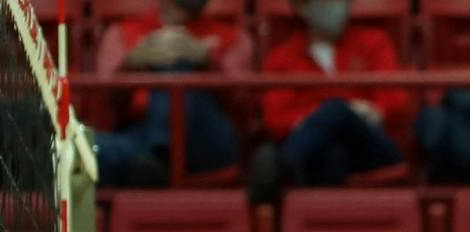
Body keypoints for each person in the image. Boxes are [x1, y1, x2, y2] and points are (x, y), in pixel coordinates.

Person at [91, 0, 249, 188]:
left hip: (207, 141)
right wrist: (131, 65)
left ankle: (161, 157)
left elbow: (242, 108)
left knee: (175, 55)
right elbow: (103, 109)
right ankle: (157, 158)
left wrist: (207, 62)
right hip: (140, 134)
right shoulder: (121, 34)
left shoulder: (235, 37)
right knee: (85, 148)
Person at [260, 1, 410, 191]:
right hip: (319, 153)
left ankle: (284, 165)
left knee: (337, 108)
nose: (338, 6)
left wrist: (366, 112)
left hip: (373, 145)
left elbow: (396, 101)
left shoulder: (375, 42)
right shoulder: (281, 58)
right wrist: (329, 117)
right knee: (334, 151)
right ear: (302, 8)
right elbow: (275, 120)